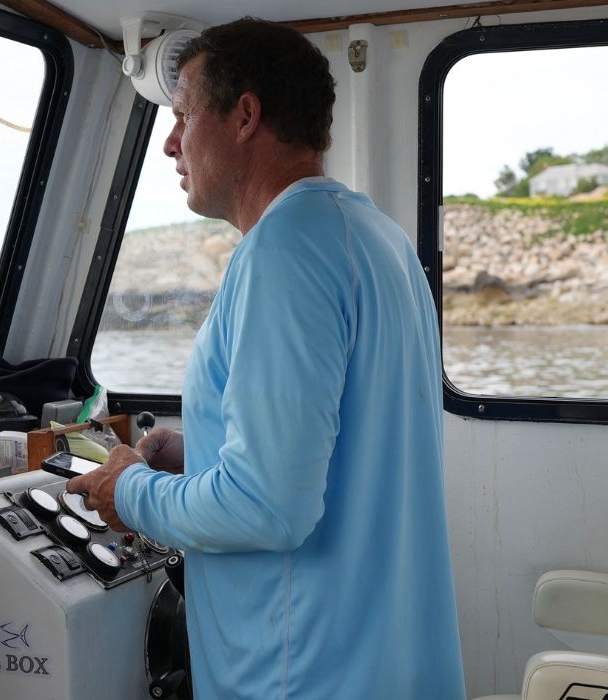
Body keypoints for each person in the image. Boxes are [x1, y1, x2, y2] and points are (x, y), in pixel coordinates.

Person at [65, 18, 465, 699]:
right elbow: (347, 448)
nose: (168, 144)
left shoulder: (284, 253)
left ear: (245, 115)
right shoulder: (379, 238)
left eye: (182, 116)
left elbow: (269, 509)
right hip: (389, 663)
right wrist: (203, 452)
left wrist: (128, 492)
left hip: (302, 674)